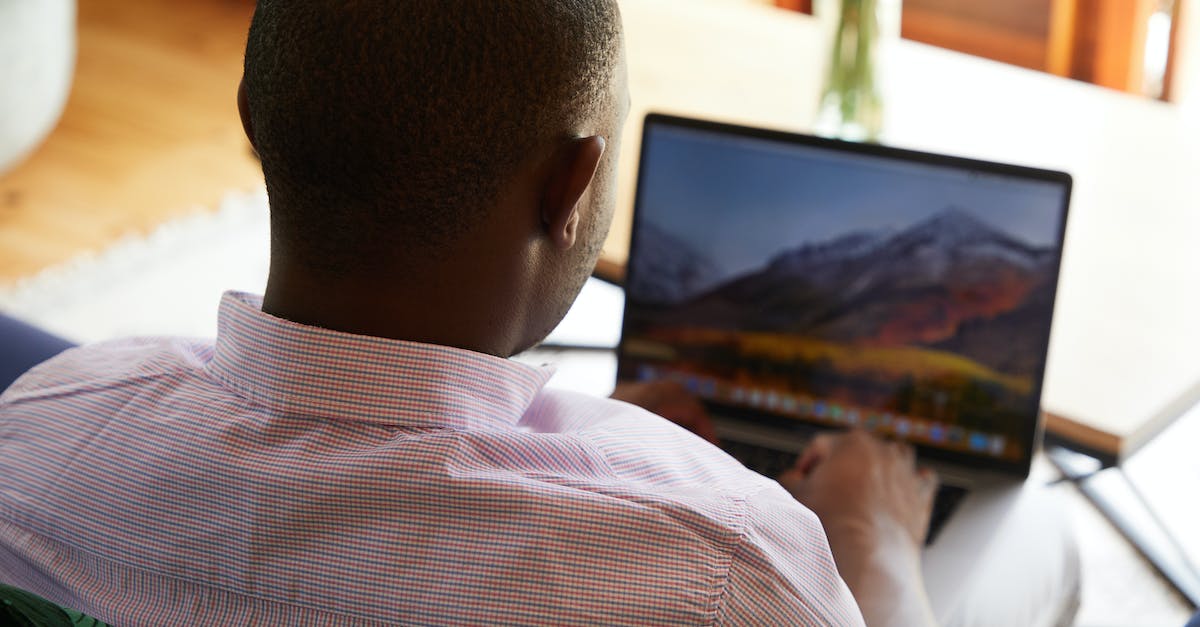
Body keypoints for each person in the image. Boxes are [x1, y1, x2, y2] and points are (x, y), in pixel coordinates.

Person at [0, 1, 941, 624]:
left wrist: (604, 455)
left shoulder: (34, 436)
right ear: (572, 185)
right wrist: (878, 545)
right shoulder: (725, 565)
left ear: (255, 120)